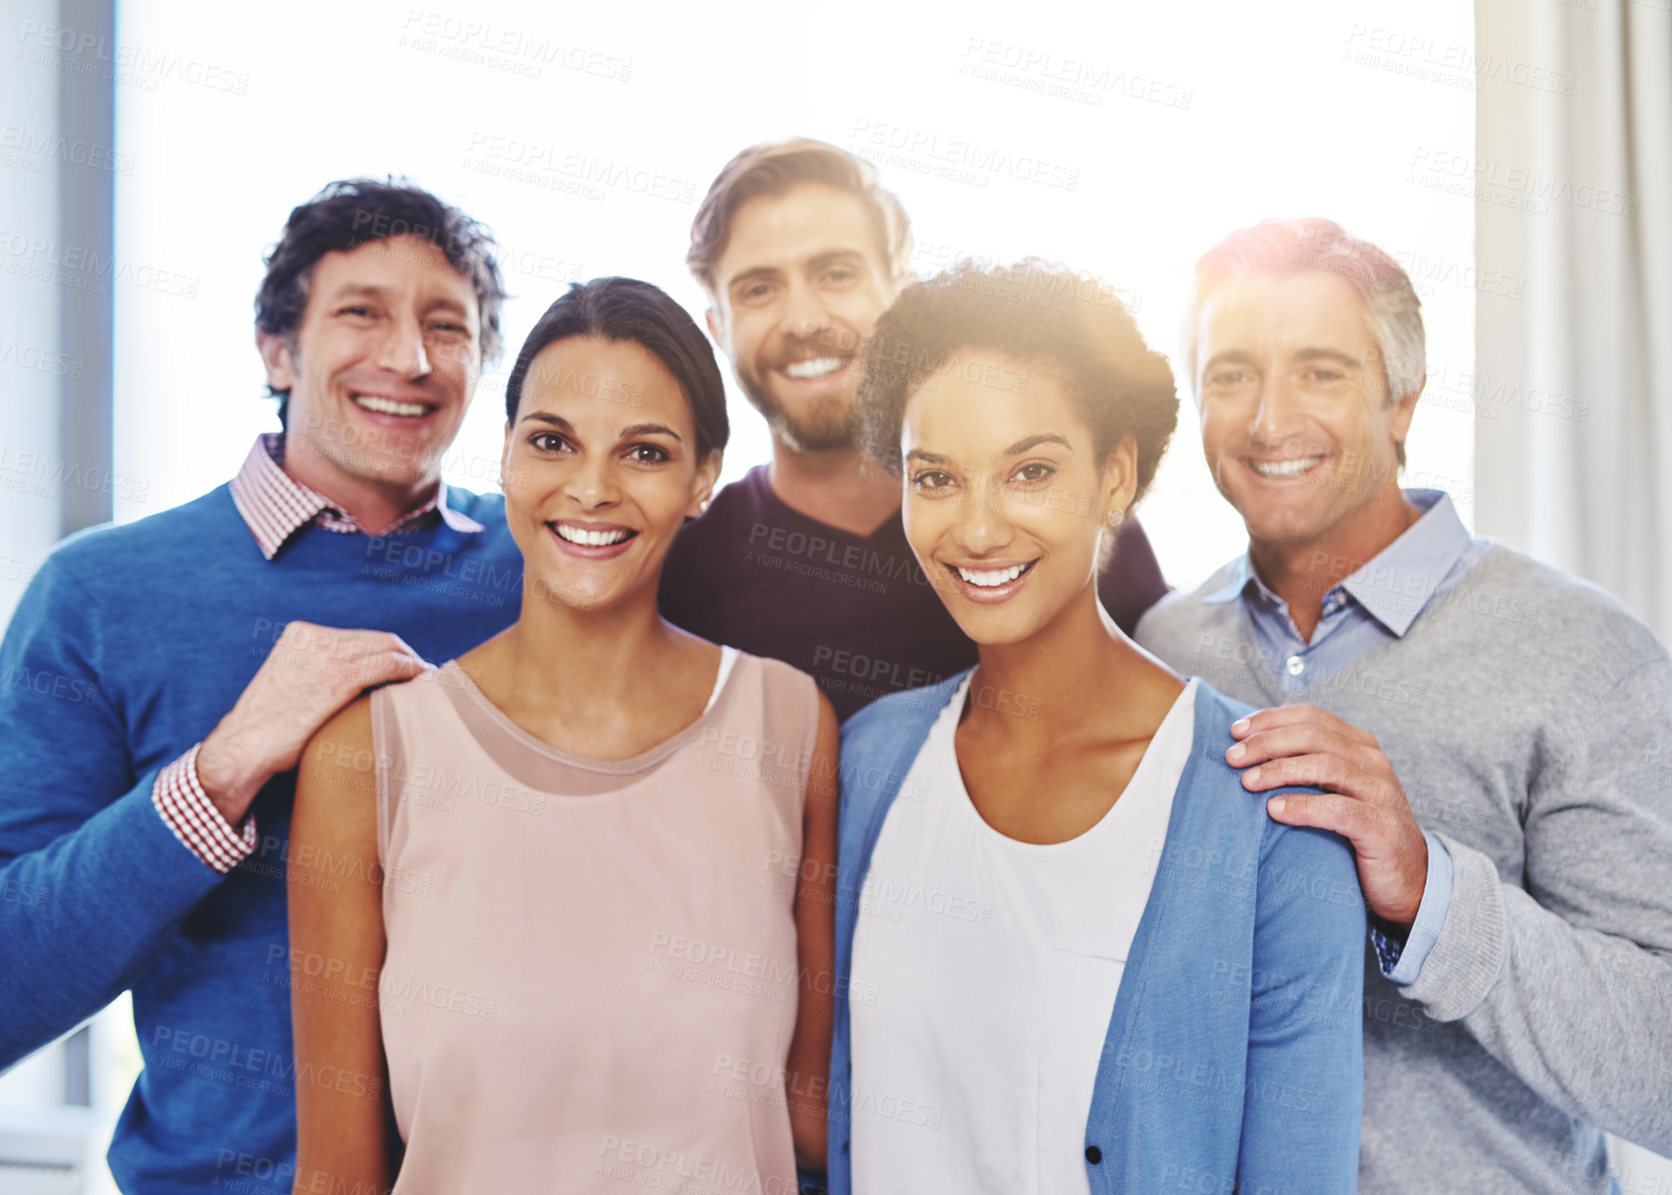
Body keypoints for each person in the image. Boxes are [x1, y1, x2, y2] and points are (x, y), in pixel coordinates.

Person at [0, 178, 522, 1194]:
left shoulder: (549, 572)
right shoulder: (100, 594)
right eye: (361, 312)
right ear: (275, 349)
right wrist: (224, 765)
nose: (408, 360)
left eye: (446, 326)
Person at [1136, 218, 1672, 1193]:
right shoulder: (1161, 649)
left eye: (1319, 371)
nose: (1267, 420)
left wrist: (1430, 891)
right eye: (1230, 376)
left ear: (1402, 400)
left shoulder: (1587, 654)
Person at [287, 277, 841, 1193]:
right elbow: (337, 1177)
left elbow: (813, 1123)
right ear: (504, 453)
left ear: (703, 477)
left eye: (645, 452)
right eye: (552, 441)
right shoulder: (369, 758)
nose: (591, 487)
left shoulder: (788, 726)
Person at [828, 260, 1365, 1194]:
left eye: (1030, 470)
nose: (979, 527)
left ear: (1114, 476)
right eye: (937, 477)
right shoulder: (873, 759)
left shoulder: (1269, 816)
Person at [660, 139, 1170, 720]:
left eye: (835, 273)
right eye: (758, 289)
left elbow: (1182, 715)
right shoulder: (682, 576)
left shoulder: (1067, 518)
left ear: (902, 292)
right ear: (718, 327)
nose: (803, 320)